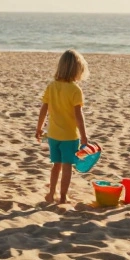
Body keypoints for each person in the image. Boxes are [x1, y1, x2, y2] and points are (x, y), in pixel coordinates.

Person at [35, 49, 90, 205]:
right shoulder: (75, 90)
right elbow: (79, 116)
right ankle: (63, 197)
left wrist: (39, 128)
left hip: (53, 135)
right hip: (69, 136)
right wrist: (84, 137)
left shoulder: (52, 86)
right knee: (67, 168)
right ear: (77, 70)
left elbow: (43, 109)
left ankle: (51, 194)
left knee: (56, 166)